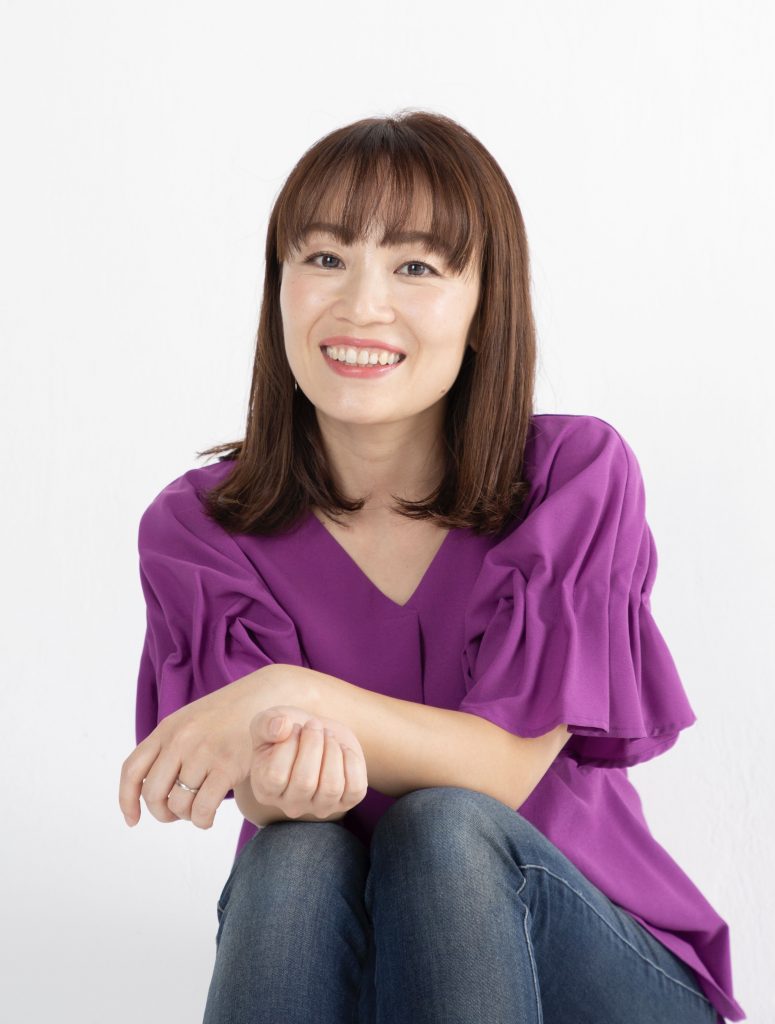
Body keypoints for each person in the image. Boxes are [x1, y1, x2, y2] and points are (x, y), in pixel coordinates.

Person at [118, 110, 745, 1023]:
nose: (361, 304)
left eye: (416, 267)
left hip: (595, 970)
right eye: (324, 257)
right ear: (278, 290)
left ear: (484, 308)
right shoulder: (195, 528)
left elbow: (498, 772)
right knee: (294, 854)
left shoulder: (572, 475)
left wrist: (289, 695)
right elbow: (254, 784)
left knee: (444, 826)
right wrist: (280, 777)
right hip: (374, 975)